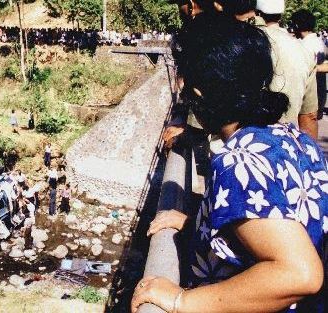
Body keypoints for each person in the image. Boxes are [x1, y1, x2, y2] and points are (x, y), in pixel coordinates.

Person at [131, 15, 326, 313]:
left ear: (199, 93)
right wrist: (201, 223)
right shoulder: (290, 139)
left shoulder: (238, 162)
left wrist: (182, 300)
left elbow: (300, 274)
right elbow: (274, 219)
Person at [254, 0, 319, 139]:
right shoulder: (303, 51)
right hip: (284, 147)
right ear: (281, 15)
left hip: (240, 148)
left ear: (256, 12)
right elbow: (309, 115)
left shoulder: (240, 41)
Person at [291, 9, 327, 120]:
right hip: (320, 93)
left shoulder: (304, 46)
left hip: (308, 96)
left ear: (297, 25)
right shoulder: (319, 42)